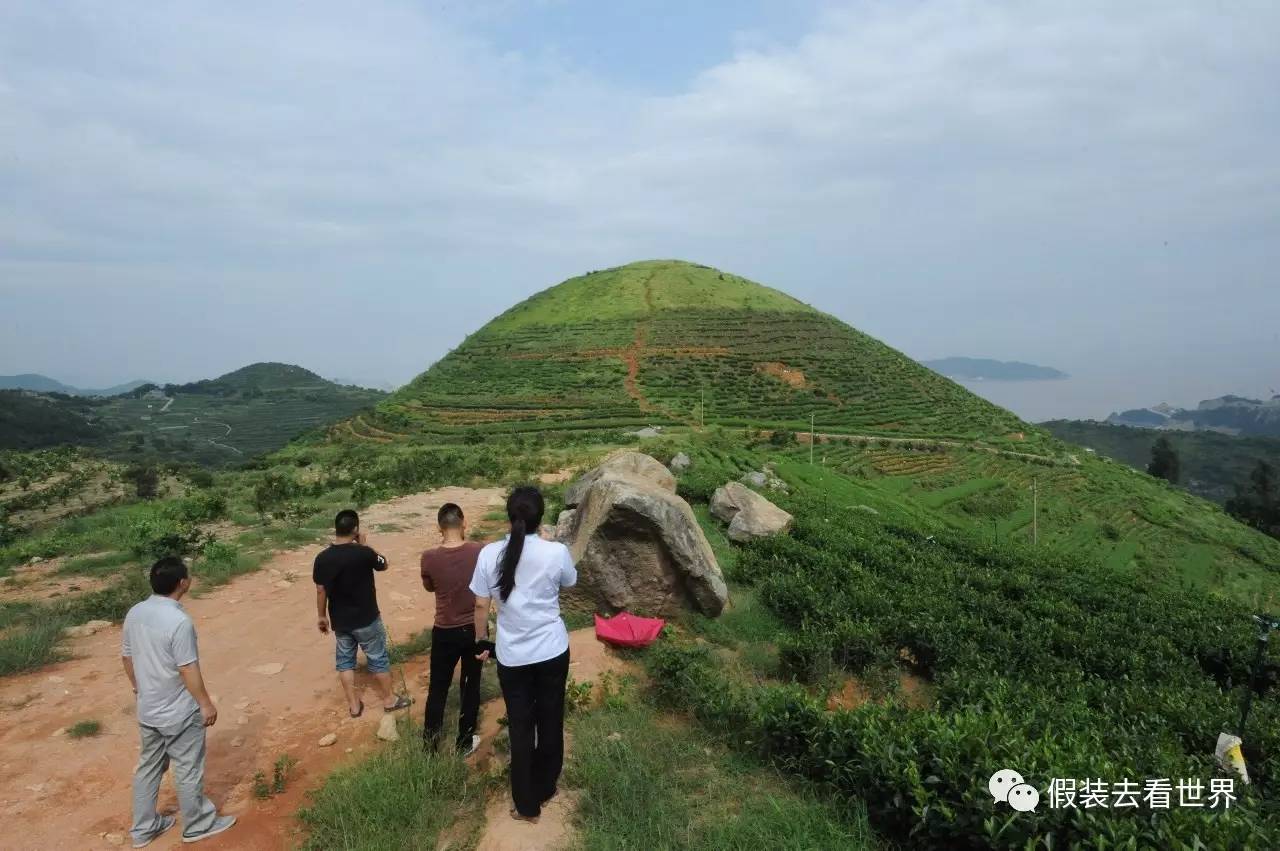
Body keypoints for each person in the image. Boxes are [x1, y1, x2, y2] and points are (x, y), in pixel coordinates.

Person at [470, 486, 577, 823]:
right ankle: (546, 787)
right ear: (540, 518)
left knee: (520, 724)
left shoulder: (489, 554)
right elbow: (570, 583)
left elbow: (479, 604)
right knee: (550, 719)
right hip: (551, 650)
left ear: (509, 516)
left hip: (512, 656)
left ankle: (525, 801)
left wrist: (481, 641)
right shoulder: (556, 551)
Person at [122, 557, 236, 847]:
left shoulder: (136, 612)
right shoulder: (179, 621)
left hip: (148, 709)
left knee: (149, 767)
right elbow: (187, 668)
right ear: (182, 583)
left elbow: (127, 657)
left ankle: (143, 828)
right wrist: (205, 703)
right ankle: (196, 825)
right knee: (187, 767)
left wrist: (139, 688)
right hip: (177, 711)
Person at [313, 509, 412, 717]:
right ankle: (389, 699)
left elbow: (320, 589)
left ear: (336, 529)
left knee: (345, 662)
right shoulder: (363, 553)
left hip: (340, 621)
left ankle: (354, 706)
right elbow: (384, 564)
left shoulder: (322, 558)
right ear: (355, 529)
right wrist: (366, 546)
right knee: (378, 658)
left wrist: (322, 616)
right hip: (367, 618)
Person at [419, 502, 485, 755]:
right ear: (464, 523)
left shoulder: (429, 557)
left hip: (444, 628)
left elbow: (429, 587)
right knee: (470, 685)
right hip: (472, 628)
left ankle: (430, 746)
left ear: (439, 527)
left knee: (438, 688)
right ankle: (465, 741)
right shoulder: (479, 551)